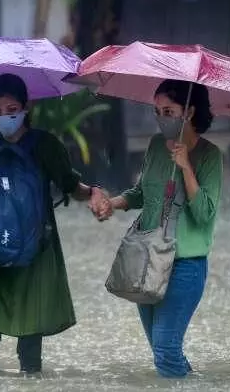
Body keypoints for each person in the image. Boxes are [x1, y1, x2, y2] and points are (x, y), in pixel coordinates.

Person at [0, 73, 108, 374]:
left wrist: (92, 192)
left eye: (12, 109)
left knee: (29, 345)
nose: (4, 116)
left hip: (35, 251)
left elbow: (70, 186)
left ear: (27, 106)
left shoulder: (47, 145)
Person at [91, 79, 223, 378]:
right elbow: (141, 193)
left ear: (188, 112)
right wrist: (113, 203)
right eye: (157, 111)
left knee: (165, 348)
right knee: (162, 350)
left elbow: (204, 214)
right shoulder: (154, 145)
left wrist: (187, 166)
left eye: (168, 111)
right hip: (148, 260)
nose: (161, 118)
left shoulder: (210, 156)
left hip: (185, 265)